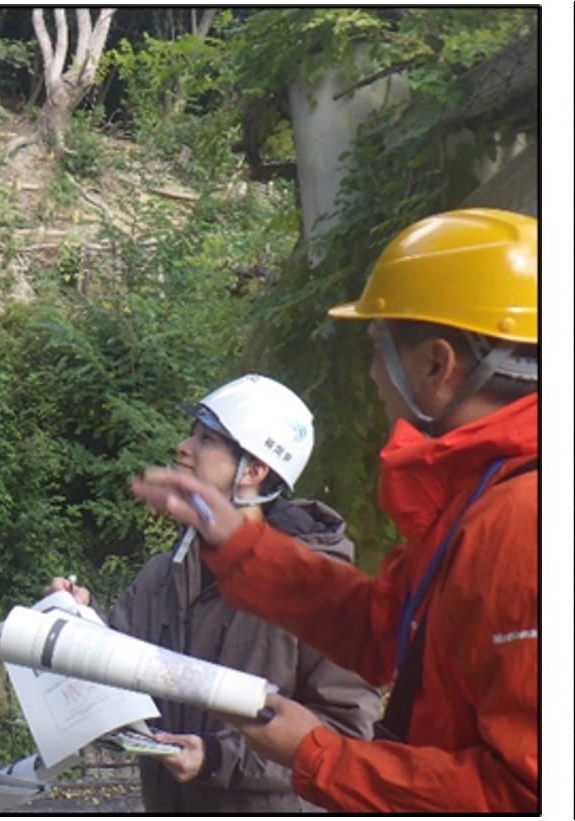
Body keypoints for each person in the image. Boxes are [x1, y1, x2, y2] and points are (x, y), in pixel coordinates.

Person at [128, 208, 539, 812]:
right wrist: (237, 545)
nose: (372, 372)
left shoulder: (519, 524)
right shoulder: (471, 499)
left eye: (377, 347)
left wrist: (317, 755)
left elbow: (524, 795)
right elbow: (379, 629)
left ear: (436, 365)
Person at [50, 374, 380, 812]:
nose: (183, 447)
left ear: (254, 471)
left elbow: (345, 733)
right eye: (192, 434)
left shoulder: (317, 587)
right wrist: (82, 618)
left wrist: (218, 758)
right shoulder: (161, 576)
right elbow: (117, 670)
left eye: (206, 439)